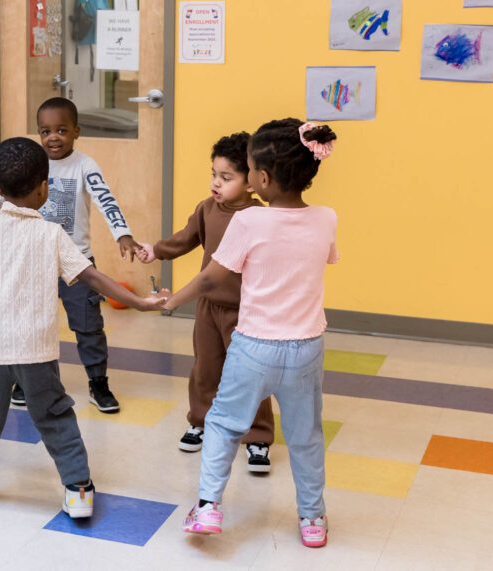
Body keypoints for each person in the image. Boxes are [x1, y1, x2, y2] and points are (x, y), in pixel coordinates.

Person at [0, 137, 167, 516]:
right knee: (55, 415)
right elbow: (93, 278)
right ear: (44, 187)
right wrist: (142, 302)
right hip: (36, 351)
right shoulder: (51, 234)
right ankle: (77, 489)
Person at [162, 119, 339, 548]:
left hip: (254, 345)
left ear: (260, 178)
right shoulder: (327, 218)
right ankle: (312, 519)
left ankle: (207, 508)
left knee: (222, 424)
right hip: (306, 347)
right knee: (306, 436)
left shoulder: (250, 222)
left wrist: (169, 301)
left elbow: (208, 280)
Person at [137, 133, 275, 467]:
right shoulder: (207, 208)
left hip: (248, 311)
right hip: (209, 308)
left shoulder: (261, 216)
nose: (216, 183)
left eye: (226, 178)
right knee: (205, 368)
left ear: (252, 182)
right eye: (214, 174)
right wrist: (155, 250)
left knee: (252, 374)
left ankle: (257, 436)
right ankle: (200, 421)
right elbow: (185, 239)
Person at [17, 97, 141, 413]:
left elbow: (105, 199)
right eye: (45, 131)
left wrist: (121, 233)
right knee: (31, 323)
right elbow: (7, 192)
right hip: (36, 260)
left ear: (76, 131)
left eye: (61, 130)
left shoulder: (85, 165)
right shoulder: (32, 164)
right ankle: (26, 380)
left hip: (77, 262)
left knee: (88, 325)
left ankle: (98, 382)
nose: (53, 137)